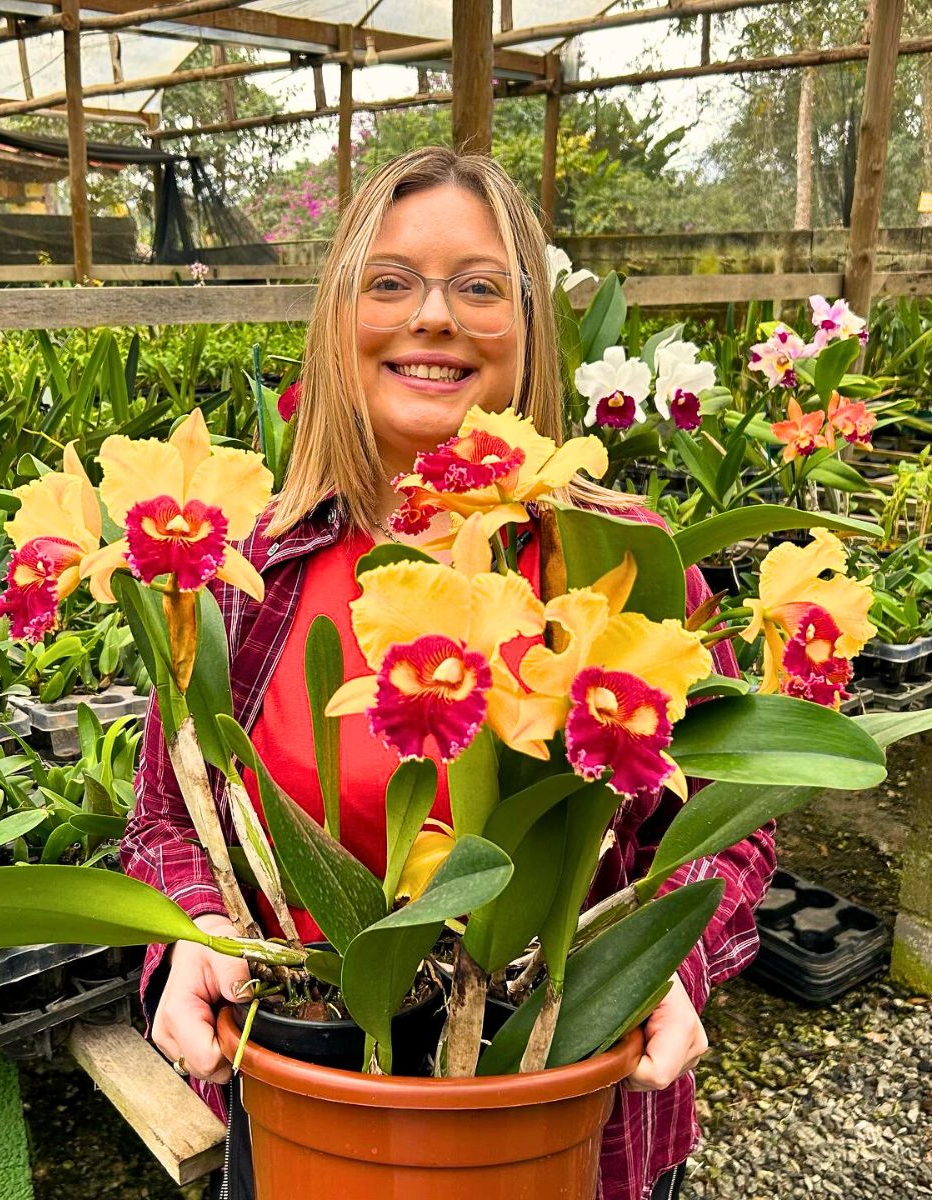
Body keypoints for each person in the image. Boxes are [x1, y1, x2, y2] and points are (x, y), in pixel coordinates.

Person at [119, 146, 775, 1200]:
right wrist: (191, 934)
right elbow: (163, 819)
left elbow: (727, 824)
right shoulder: (250, 570)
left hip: (565, 1104)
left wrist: (662, 960)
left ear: (530, 328)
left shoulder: (618, 565)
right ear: (339, 323)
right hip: (313, 1087)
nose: (433, 317)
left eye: (479, 287)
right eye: (389, 283)